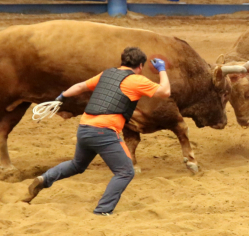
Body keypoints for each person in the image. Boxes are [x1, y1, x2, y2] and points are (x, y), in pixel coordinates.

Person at [22, 46, 171, 216]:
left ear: (122, 61)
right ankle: (102, 210)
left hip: (85, 128)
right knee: (125, 172)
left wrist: (62, 96)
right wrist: (162, 70)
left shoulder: (106, 74)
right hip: (104, 132)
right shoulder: (136, 80)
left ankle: (45, 178)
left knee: (77, 164)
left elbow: (79, 87)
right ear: (140, 66)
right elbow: (165, 91)